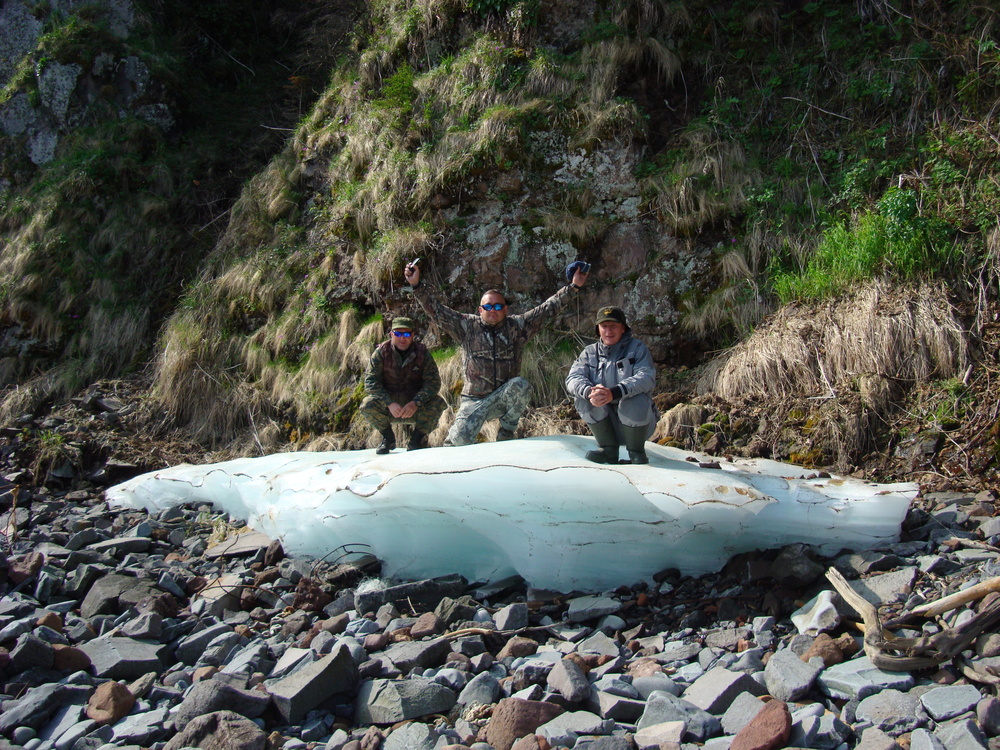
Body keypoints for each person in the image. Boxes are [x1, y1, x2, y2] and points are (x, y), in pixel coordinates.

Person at [403, 260, 590, 446]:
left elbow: (548, 309)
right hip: (474, 401)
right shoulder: (467, 326)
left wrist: (574, 287)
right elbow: (436, 311)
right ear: (480, 310)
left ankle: (507, 430)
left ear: (506, 309)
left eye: (498, 306)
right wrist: (416, 285)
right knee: (457, 442)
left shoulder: (518, 327)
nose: (493, 310)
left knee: (521, 385)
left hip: (503, 398)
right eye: (488, 306)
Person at [565, 306, 659, 464]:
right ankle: (608, 450)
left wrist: (615, 392)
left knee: (632, 400)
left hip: (640, 424)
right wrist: (590, 392)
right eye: (604, 326)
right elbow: (573, 378)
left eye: (614, 326)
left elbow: (647, 377)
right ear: (598, 329)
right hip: (608, 425)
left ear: (623, 328)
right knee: (583, 398)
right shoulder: (589, 353)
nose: (609, 331)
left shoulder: (637, 348)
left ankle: (636, 452)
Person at [360, 317, 448, 453]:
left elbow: (433, 383)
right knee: (367, 404)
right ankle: (388, 439)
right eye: (398, 334)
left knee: (437, 403)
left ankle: (416, 442)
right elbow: (371, 383)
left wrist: (416, 403)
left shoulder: (422, 353)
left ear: (412, 335)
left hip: (413, 407)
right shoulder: (381, 353)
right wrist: (389, 403)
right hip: (389, 407)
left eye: (407, 334)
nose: (402, 338)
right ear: (391, 334)